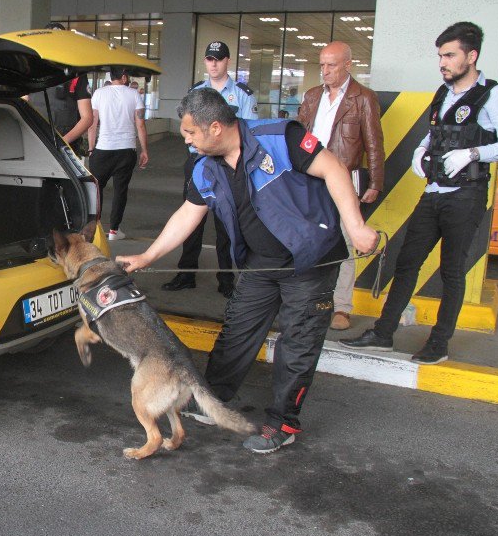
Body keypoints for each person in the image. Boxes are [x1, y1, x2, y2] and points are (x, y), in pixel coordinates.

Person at [117, 87, 378, 453]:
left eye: (191, 133)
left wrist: (355, 227)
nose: (188, 142)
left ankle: (283, 423)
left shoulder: (279, 138)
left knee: (297, 345)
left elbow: (334, 168)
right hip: (261, 263)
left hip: (310, 259)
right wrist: (148, 256)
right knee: (237, 330)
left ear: (217, 128)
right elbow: (188, 214)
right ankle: (213, 399)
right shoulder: (206, 168)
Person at [342, 22, 498, 364]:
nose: (442, 62)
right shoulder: (443, 94)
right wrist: (420, 151)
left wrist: (472, 154)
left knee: (452, 272)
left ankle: (438, 343)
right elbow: (434, 133)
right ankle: (383, 334)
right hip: (434, 192)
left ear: (471, 56)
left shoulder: (493, 95)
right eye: (440, 55)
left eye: (450, 55)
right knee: (407, 262)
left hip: (466, 195)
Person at [297, 41, 386, 331]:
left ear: (348, 64)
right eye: (322, 65)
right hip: (310, 180)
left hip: (346, 181)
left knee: (346, 244)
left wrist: (376, 181)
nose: (325, 71)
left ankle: (342, 308)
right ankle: (308, 300)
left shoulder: (363, 98)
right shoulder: (312, 97)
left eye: (331, 65)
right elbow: (297, 136)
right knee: (309, 241)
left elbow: (374, 143)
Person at [162, 41, 257, 296]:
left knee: (226, 223)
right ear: (205, 62)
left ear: (227, 61)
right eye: (209, 59)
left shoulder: (242, 94)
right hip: (197, 161)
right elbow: (184, 126)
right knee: (191, 218)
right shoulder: (195, 94)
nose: (213, 64)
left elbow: (248, 130)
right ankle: (186, 274)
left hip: (227, 162)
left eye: (218, 59)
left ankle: (226, 280)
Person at [87, 67, 148, 241]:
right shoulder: (134, 94)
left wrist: (91, 148)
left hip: (103, 149)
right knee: (121, 191)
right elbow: (141, 125)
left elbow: (92, 124)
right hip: (126, 150)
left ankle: (95, 229)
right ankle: (114, 231)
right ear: (123, 77)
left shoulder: (98, 93)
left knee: (96, 191)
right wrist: (144, 150)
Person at [28, 22, 93, 156]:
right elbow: (23, 103)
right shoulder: (30, 71)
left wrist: (61, 142)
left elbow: (87, 118)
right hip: (34, 144)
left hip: (64, 149)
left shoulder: (75, 74)